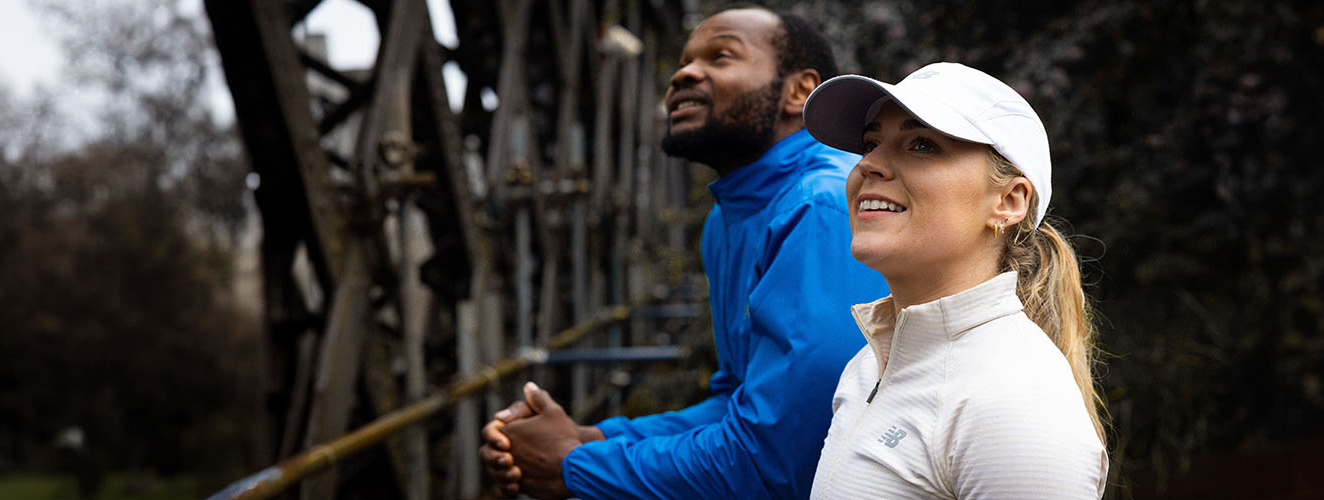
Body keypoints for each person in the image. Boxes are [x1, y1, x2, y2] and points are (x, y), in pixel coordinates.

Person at [474, 6, 888, 500]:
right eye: (684, 61)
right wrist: (591, 439)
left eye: (720, 56)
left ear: (799, 92)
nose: (684, 74)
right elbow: (738, 400)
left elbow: (785, 456)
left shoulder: (820, 205)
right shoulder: (730, 218)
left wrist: (573, 465)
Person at [798, 62, 1108, 498]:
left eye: (921, 144)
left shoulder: (1018, 402)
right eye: (871, 143)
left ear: (1008, 201)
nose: (869, 164)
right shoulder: (866, 367)